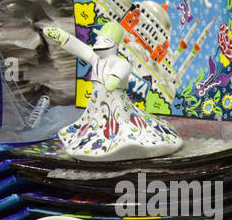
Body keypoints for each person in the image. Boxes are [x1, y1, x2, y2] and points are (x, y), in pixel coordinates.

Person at [42, 22, 182, 161]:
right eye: (99, 39)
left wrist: (114, 78)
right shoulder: (95, 59)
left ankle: (125, 141)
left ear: (115, 43)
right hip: (97, 100)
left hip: (115, 100)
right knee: (96, 122)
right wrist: (63, 38)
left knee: (119, 121)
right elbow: (80, 49)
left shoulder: (119, 61)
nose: (100, 43)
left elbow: (123, 68)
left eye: (106, 40)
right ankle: (95, 143)